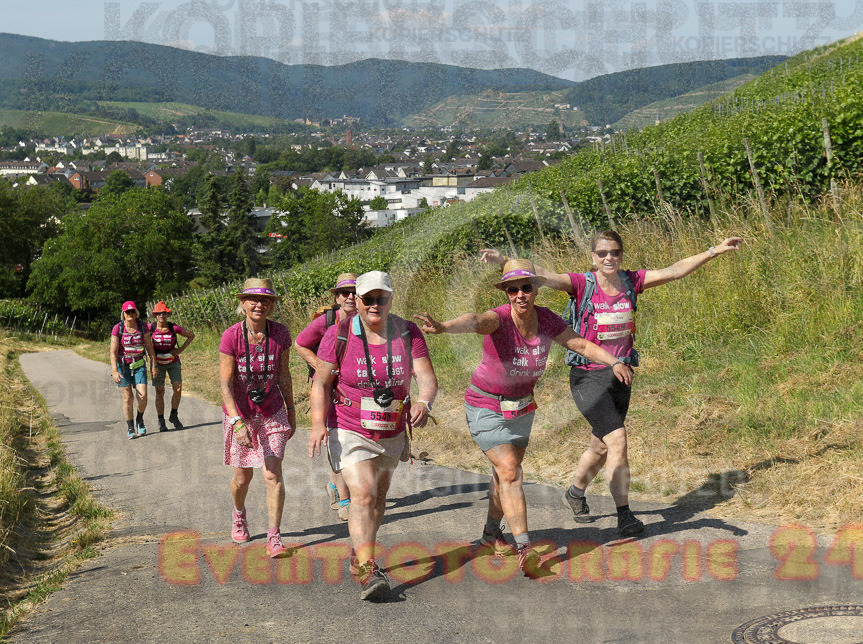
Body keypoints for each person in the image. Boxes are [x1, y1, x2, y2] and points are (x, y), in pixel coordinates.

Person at [481, 231, 743, 537]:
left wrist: (715, 250)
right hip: (587, 375)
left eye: (615, 253)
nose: (609, 258)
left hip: (621, 374)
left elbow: (674, 270)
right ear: (593, 257)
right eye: (603, 253)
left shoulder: (632, 281)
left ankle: (575, 493)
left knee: (601, 446)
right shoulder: (582, 283)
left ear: (621, 255)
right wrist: (504, 262)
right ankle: (625, 515)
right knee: (617, 438)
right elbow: (541, 275)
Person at [415, 259, 632, 575]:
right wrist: (445, 327)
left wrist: (613, 361)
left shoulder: (545, 320)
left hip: (521, 408)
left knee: (503, 475)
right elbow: (475, 320)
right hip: (485, 405)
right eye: (512, 289)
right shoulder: (499, 319)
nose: (519, 294)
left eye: (526, 287)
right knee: (510, 470)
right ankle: (524, 549)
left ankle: (491, 533)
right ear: (505, 292)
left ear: (535, 290)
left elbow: (580, 343)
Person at [308, 271, 438, 601]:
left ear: (391, 299)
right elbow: (321, 384)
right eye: (368, 299)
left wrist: (423, 401)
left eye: (381, 298)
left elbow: (426, 376)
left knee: (378, 500)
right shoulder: (339, 333)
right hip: (349, 424)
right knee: (363, 494)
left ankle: (361, 551)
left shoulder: (408, 331)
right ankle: (368, 568)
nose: (374, 305)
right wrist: (317, 424)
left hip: (392, 428)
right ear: (358, 300)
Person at [219, 278, 296, 558]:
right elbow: (225, 384)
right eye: (252, 299)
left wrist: (290, 410)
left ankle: (274, 536)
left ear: (272, 305)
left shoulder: (281, 334)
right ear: (243, 303)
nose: (258, 304)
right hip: (241, 413)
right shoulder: (231, 336)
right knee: (242, 477)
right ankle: (239, 514)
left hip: (272, 410)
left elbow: (284, 374)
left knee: (272, 473)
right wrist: (237, 422)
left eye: (265, 300)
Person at [294, 273, 357, 520]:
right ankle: (345, 501)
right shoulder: (327, 321)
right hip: (327, 388)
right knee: (337, 441)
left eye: (355, 292)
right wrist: (321, 366)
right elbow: (300, 343)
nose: (350, 297)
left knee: (344, 441)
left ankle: (333, 486)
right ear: (337, 297)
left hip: (355, 389)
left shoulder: (370, 319)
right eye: (345, 293)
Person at [110, 301, 155, 440]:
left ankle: (139, 419)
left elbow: (149, 346)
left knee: (143, 396)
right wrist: (114, 370)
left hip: (139, 364)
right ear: (123, 314)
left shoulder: (142, 327)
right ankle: (130, 427)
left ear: (136, 313)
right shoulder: (118, 328)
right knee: (128, 398)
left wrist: (154, 365)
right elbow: (113, 351)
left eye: (132, 311)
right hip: (122, 366)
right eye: (127, 312)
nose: (130, 314)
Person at [149, 301, 195, 432]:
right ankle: (161, 420)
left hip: (173, 362)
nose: (162, 315)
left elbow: (191, 335)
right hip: (157, 364)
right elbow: (141, 337)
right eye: (159, 313)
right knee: (159, 391)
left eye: (164, 313)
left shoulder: (173, 328)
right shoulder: (150, 328)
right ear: (155, 316)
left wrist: (180, 350)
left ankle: (174, 415)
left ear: (167, 315)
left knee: (178, 389)